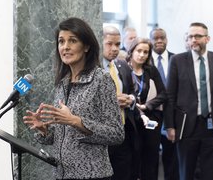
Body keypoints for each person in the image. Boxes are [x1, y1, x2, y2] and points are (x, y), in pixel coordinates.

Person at [23, 17, 125, 180]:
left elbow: (116, 134)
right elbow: (63, 136)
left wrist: (76, 121)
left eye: (72, 41)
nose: (65, 47)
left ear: (86, 46)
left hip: (93, 175)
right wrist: (44, 130)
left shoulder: (101, 79)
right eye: (61, 41)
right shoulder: (62, 82)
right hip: (62, 174)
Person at [164, 22, 213, 180]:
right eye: (190, 36)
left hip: (211, 126)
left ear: (207, 39)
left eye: (198, 36)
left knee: (210, 173)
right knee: (186, 172)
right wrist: (170, 126)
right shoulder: (177, 60)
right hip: (186, 126)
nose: (193, 39)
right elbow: (170, 96)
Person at [126, 37, 167, 180]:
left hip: (150, 119)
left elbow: (163, 94)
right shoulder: (123, 68)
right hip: (130, 120)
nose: (142, 55)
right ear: (131, 51)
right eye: (139, 51)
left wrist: (146, 106)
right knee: (132, 159)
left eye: (145, 52)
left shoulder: (151, 70)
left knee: (150, 160)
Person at [102, 26, 137, 180]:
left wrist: (131, 100)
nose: (115, 49)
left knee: (123, 174)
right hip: (102, 135)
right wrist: (112, 102)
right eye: (110, 44)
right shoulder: (91, 70)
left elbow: (133, 94)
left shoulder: (122, 67)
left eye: (117, 44)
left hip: (123, 132)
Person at [149, 28, 179, 180]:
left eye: (162, 38)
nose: (159, 41)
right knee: (152, 156)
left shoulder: (177, 59)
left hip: (173, 115)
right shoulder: (145, 60)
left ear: (167, 39)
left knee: (171, 157)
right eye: (156, 38)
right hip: (151, 114)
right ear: (151, 40)